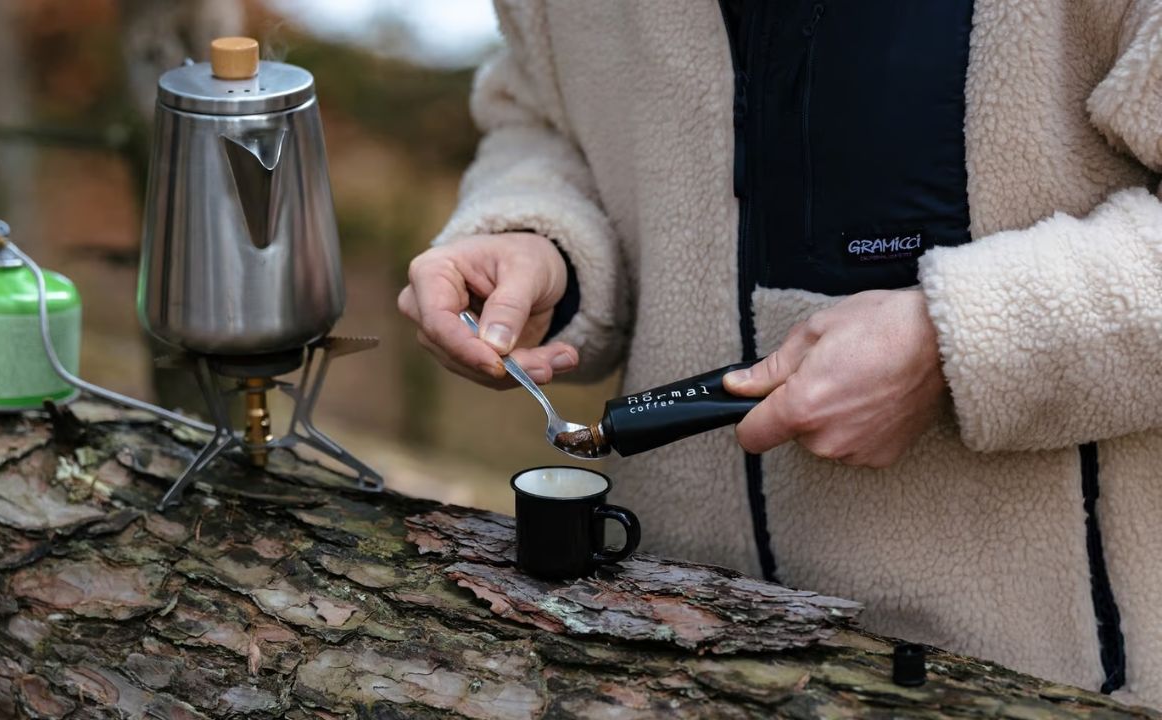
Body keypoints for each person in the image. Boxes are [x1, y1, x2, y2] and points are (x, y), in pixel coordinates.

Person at [397, 0, 1162, 704]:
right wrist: (537, 239)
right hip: (668, 654)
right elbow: (539, 117)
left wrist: (963, 338)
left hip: (1043, 680)